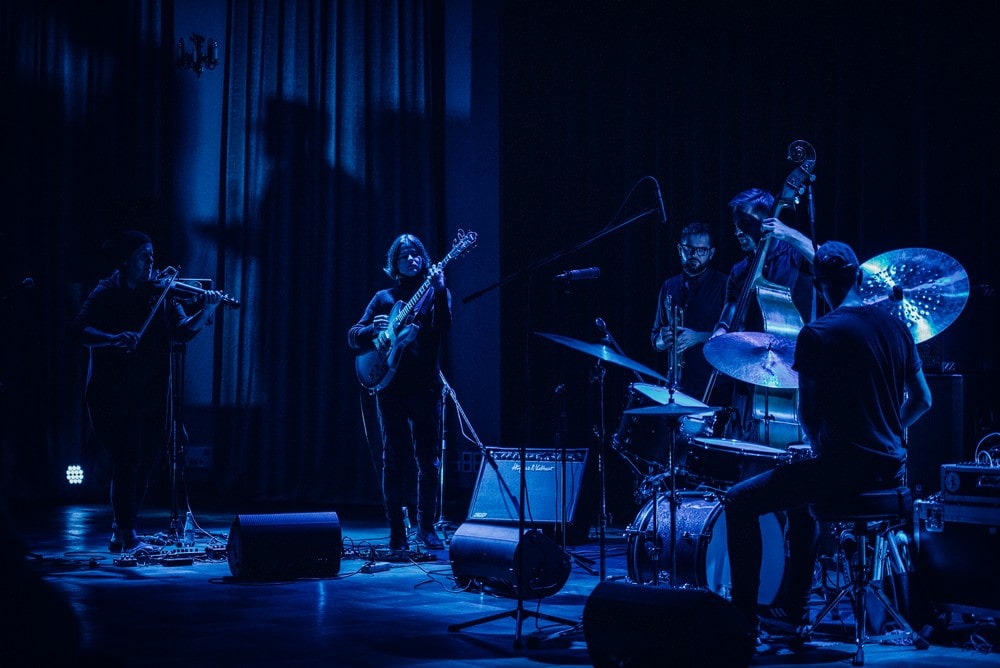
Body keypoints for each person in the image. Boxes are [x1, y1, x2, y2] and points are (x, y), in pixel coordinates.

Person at [723, 240, 932, 645]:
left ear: (818, 286)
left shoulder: (816, 333)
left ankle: (743, 621)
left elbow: (808, 414)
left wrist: (821, 446)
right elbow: (924, 400)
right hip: (891, 471)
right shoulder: (896, 327)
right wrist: (889, 427)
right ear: (858, 276)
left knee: (739, 500)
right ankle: (794, 608)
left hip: (842, 470)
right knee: (800, 499)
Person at [73, 230, 224, 552]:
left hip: (153, 391)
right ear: (126, 261)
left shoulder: (161, 294)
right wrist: (113, 339)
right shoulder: (106, 291)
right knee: (127, 457)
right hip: (110, 391)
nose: (152, 263)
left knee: (148, 457)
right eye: (145, 256)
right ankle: (126, 533)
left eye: (153, 256)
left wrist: (207, 310)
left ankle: (123, 530)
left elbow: (183, 332)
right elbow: (80, 330)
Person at [348, 233, 451, 551]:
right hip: (389, 386)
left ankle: (427, 528)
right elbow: (353, 336)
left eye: (416, 254)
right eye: (404, 255)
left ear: (425, 259)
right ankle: (396, 531)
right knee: (393, 460)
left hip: (424, 387)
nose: (411, 259)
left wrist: (441, 289)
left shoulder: (434, 293)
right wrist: (374, 331)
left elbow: (445, 327)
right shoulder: (383, 297)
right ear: (394, 263)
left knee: (428, 462)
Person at [711, 188, 816, 443]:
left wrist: (788, 234)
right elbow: (730, 311)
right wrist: (721, 331)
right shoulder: (740, 271)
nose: (737, 232)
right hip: (749, 373)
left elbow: (829, 261)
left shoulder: (794, 257)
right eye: (736, 225)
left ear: (766, 223)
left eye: (745, 224)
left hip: (794, 372)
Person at [650, 221, 728, 404]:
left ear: (711, 253)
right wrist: (663, 340)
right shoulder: (669, 285)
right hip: (674, 387)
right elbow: (655, 338)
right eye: (689, 249)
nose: (694, 255)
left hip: (713, 386)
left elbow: (737, 337)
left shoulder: (726, 284)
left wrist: (698, 337)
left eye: (701, 250)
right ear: (679, 249)